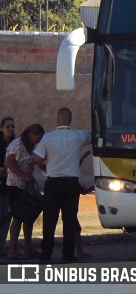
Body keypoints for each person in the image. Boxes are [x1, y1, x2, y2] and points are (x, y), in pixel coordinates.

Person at [33, 108, 90, 263]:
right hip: (71, 183)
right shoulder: (79, 135)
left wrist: (46, 168)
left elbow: (37, 158)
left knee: (50, 219)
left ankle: (46, 254)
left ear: (57, 119)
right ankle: (68, 254)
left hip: (53, 181)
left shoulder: (47, 138)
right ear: (70, 120)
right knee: (69, 219)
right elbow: (95, 134)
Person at [5, 124, 44, 259]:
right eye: (36, 137)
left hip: (26, 186)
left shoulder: (32, 147)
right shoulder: (17, 144)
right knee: (17, 218)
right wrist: (24, 175)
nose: (37, 140)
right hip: (15, 185)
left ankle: (28, 249)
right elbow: (9, 163)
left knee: (28, 217)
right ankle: (12, 251)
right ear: (30, 134)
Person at [0, 117, 16, 257]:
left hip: (10, 185)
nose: (10, 129)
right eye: (7, 127)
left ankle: (2, 245)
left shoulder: (15, 144)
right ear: (1, 128)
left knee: (7, 216)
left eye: (12, 127)